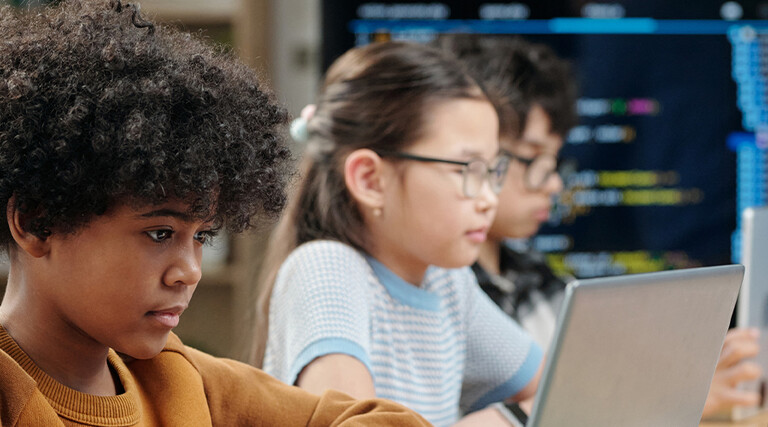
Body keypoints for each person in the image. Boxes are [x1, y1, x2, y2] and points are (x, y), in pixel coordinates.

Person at [0, 2, 432, 425]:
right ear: (37, 222)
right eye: (160, 233)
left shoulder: (185, 382)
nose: (189, 272)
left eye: (202, 236)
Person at [439, 34, 763, 419]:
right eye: (534, 160)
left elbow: (594, 383)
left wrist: (681, 377)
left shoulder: (535, 276)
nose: (554, 183)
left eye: (554, 161)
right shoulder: (443, 287)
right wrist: (666, 397)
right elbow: (571, 406)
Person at [252, 41, 544, 427]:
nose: (489, 198)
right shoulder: (326, 269)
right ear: (370, 180)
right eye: (465, 169)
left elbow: (560, 388)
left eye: (492, 170)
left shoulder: (447, 283)